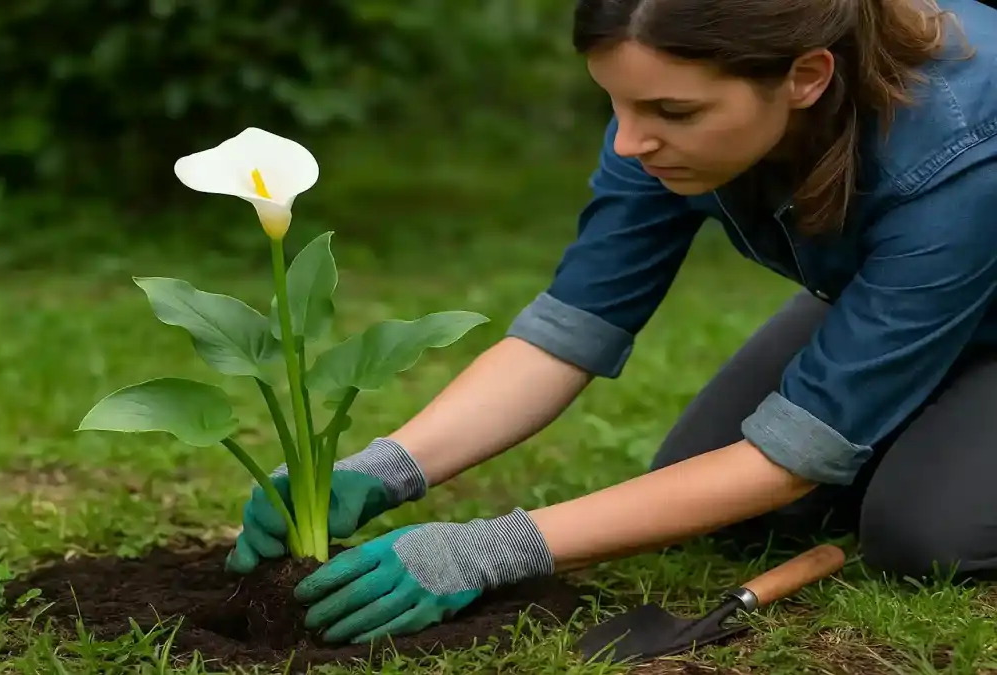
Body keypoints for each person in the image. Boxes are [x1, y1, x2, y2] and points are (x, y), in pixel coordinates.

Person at [226, 0, 997, 646]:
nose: (629, 142)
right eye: (617, 104)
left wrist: (491, 548)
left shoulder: (960, 159)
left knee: (925, 536)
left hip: (965, 267)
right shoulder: (661, 106)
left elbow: (785, 459)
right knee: (714, 507)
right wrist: (383, 464)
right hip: (898, 294)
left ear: (806, 77)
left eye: (672, 112)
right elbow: (571, 330)